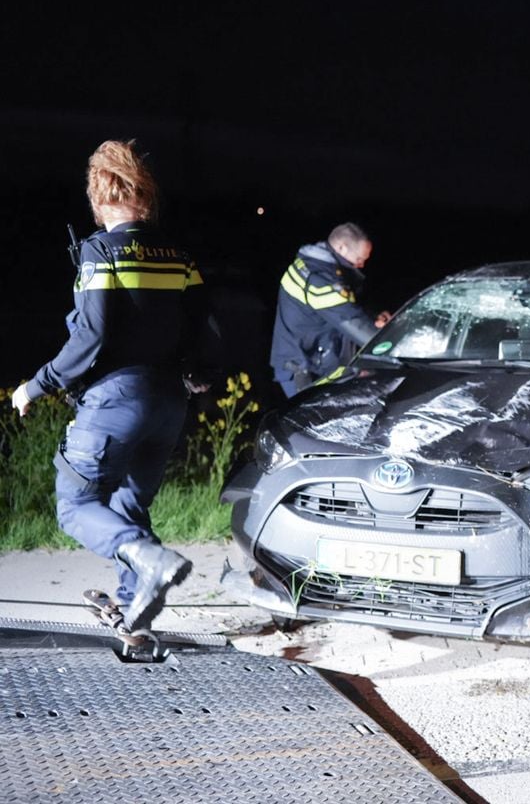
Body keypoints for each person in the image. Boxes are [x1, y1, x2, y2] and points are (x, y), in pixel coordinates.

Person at [10, 139, 218, 632]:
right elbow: (206, 328)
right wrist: (199, 378)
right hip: (169, 403)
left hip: (114, 400)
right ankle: (134, 609)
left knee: (76, 505)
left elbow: (92, 334)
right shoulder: (180, 258)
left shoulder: (99, 252)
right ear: (146, 197)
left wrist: (35, 386)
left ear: (99, 199)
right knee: (130, 503)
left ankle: (150, 562)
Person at [269, 222, 391, 398]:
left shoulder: (320, 266)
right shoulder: (318, 278)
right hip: (302, 369)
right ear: (342, 248)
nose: (362, 265)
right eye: (359, 259)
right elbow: (352, 322)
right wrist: (393, 343)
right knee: (313, 423)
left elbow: (346, 306)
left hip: (321, 358)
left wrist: (373, 318)